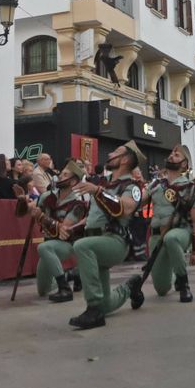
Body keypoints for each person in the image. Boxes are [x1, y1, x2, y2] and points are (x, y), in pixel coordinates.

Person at [66, 141, 146, 330]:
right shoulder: (105, 185)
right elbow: (93, 219)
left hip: (115, 242)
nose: (109, 154)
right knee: (106, 305)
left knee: (82, 246)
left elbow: (125, 208)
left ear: (125, 159)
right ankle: (130, 287)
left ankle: (93, 310)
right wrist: (72, 227)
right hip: (98, 242)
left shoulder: (131, 186)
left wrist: (98, 191)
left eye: (115, 152)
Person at [124, 145, 195, 305]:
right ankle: (174, 275)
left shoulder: (190, 187)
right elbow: (138, 201)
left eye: (177, 155)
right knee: (161, 289)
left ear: (184, 164)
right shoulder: (156, 185)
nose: (172, 156)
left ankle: (183, 283)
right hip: (156, 236)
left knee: (171, 238)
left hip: (180, 232)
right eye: (171, 153)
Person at [17, 159, 90, 302]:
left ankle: (64, 288)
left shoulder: (77, 204)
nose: (59, 177)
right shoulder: (46, 196)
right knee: (43, 290)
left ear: (73, 182)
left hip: (67, 244)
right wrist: (22, 201)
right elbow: (23, 213)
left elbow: (64, 229)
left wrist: (41, 216)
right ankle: (72, 275)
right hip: (49, 243)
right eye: (60, 174)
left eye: (64, 175)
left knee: (43, 247)